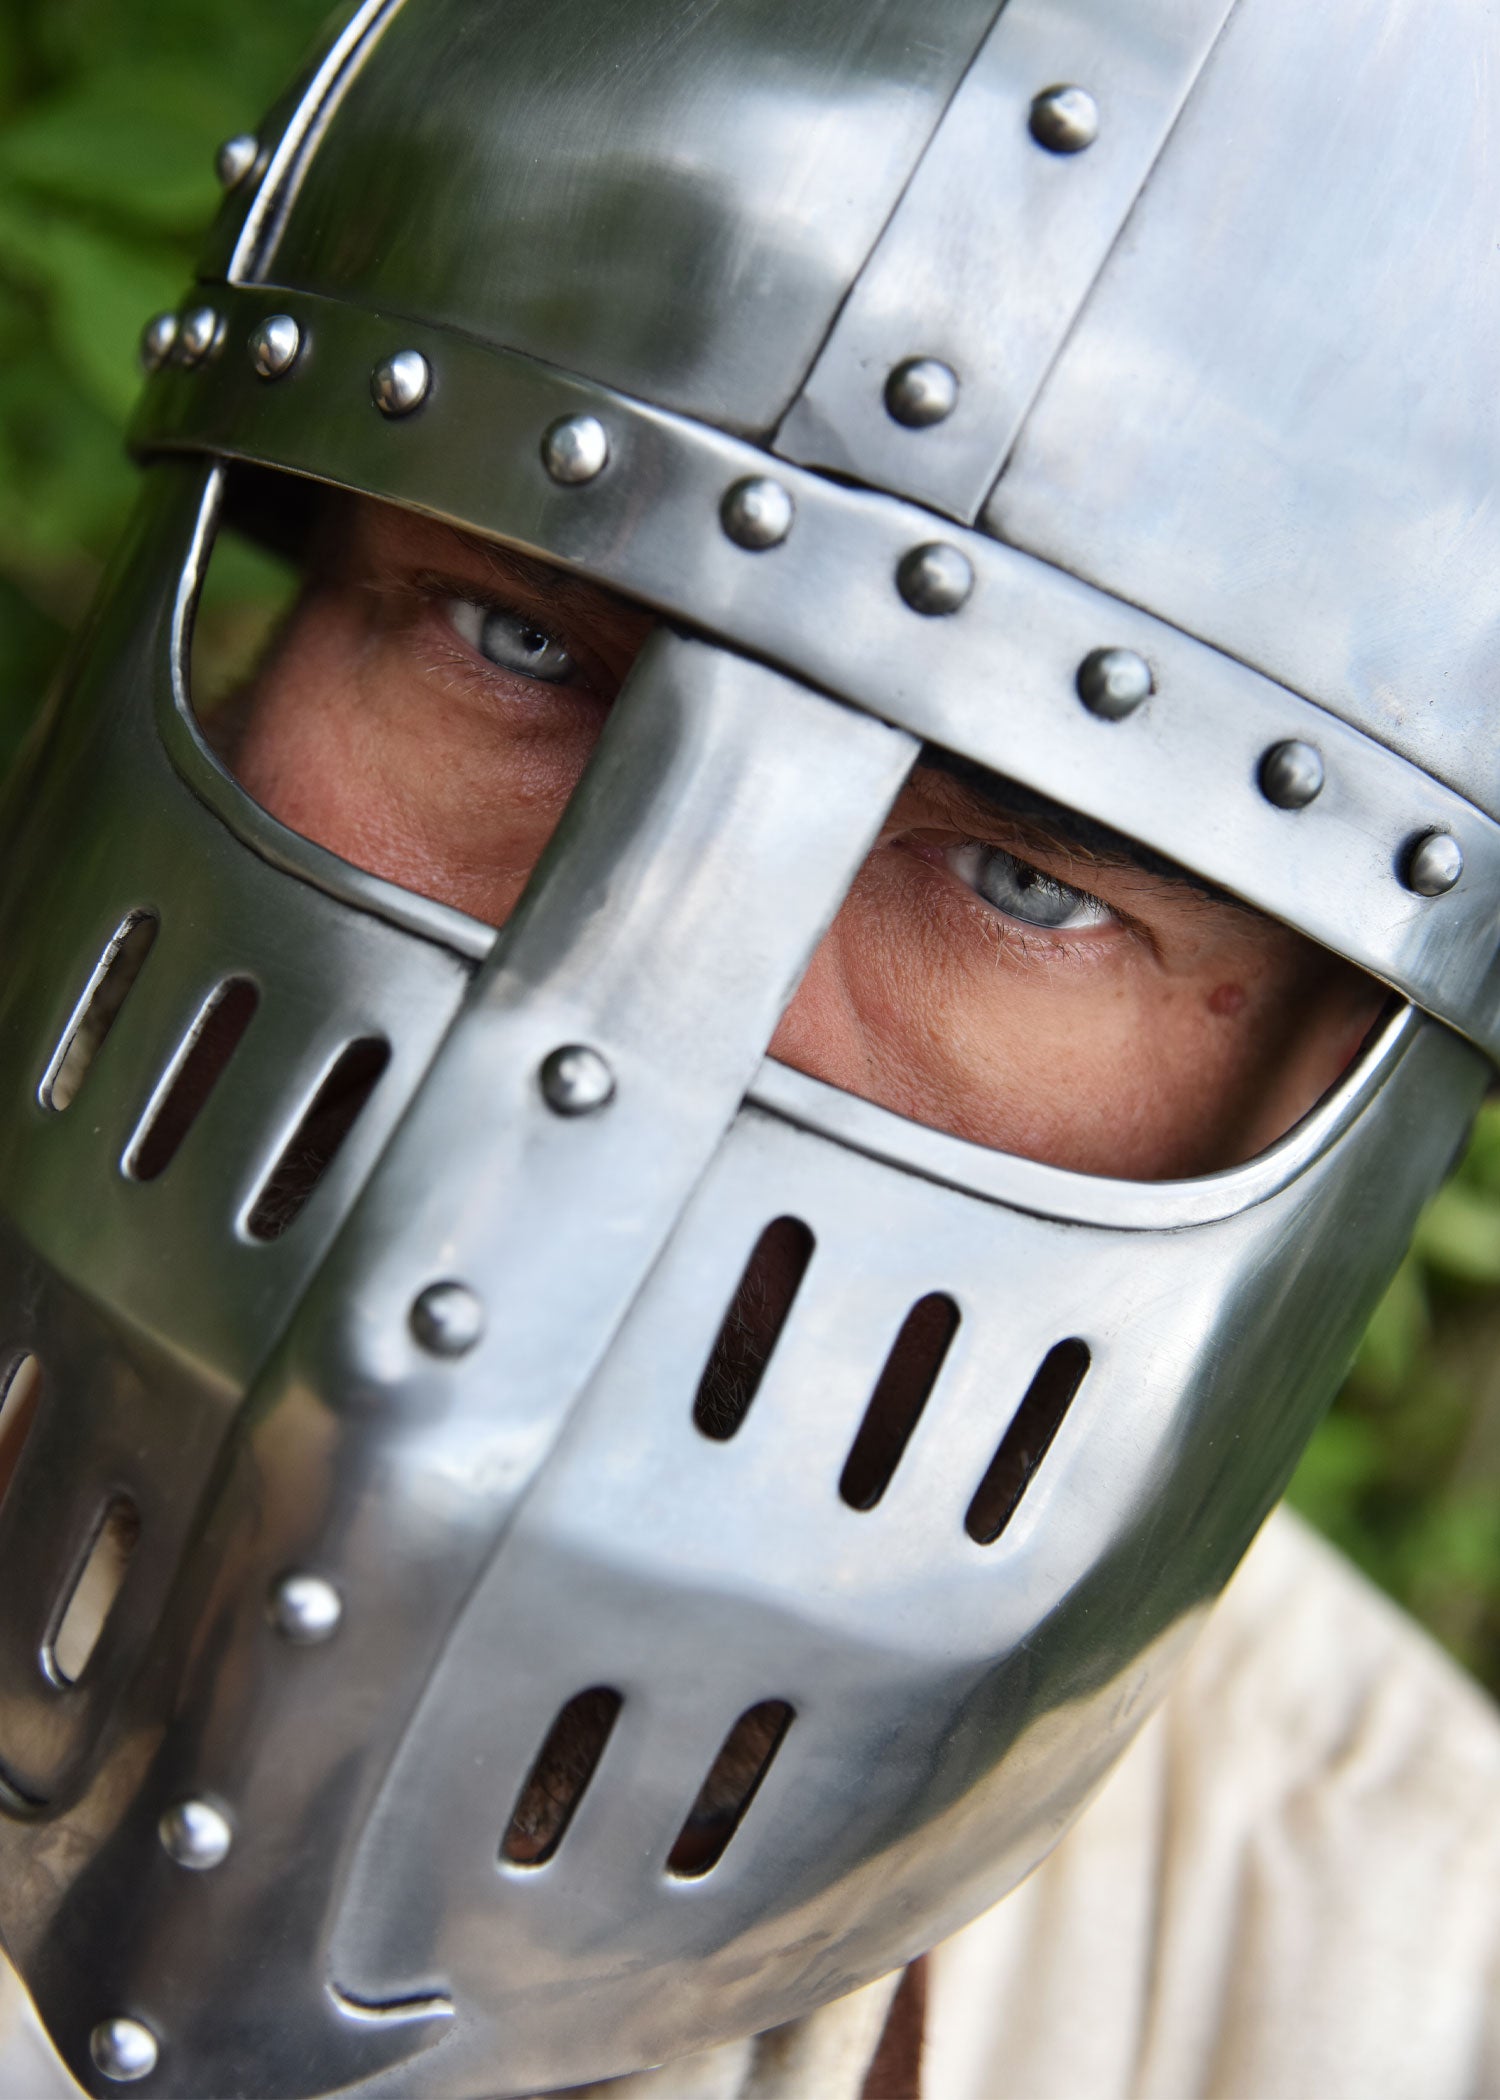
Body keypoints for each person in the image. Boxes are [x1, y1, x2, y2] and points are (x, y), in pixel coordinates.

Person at [0, 0, 1497, 2092]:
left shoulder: (1392, 1991)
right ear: (256, 612)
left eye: (1028, 885)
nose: (609, 1044)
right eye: (515, 642)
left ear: (1348, 1068)